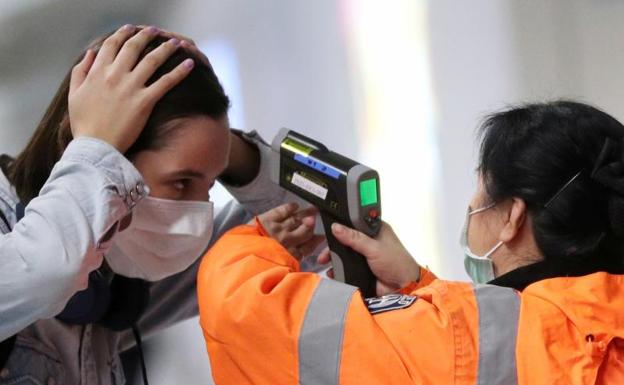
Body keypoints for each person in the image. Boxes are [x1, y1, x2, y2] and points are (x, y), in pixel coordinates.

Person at [198, 101, 624, 384]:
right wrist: (416, 289)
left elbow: (244, 319)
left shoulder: (494, 335)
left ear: (512, 216)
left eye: (479, 192)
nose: (472, 207)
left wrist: (260, 241)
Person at [0, 26, 320, 384]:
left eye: (210, 184)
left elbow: (318, 221)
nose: (197, 214)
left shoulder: (113, 280)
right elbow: (48, 272)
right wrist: (94, 144)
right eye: (181, 182)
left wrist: (215, 143)